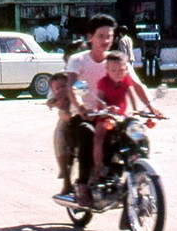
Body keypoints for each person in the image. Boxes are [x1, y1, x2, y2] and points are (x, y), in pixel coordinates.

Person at [65, 14, 152, 204]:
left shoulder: (117, 60)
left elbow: (136, 85)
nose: (106, 41)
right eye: (101, 36)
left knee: (137, 135)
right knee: (87, 134)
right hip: (85, 115)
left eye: (109, 36)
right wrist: (80, 107)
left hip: (113, 115)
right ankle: (83, 184)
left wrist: (151, 107)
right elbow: (71, 86)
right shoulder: (77, 59)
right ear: (90, 37)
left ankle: (134, 174)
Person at [91, 51, 162, 183]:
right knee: (99, 137)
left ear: (126, 69)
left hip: (122, 116)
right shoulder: (103, 82)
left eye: (121, 70)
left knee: (140, 134)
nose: (117, 73)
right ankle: (98, 169)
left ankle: (141, 161)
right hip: (107, 116)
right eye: (113, 70)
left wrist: (136, 111)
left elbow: (131, 94)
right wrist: (106, 109)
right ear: (107, 69)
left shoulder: (126, 80)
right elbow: (99, 101)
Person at [46, 71, 80, 195]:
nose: (61, 89)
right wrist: (56, 103)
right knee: (60, 137)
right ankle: (66, 178)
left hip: (85, 114)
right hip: (67, 117)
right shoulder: (60, 77)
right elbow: (50, 100)